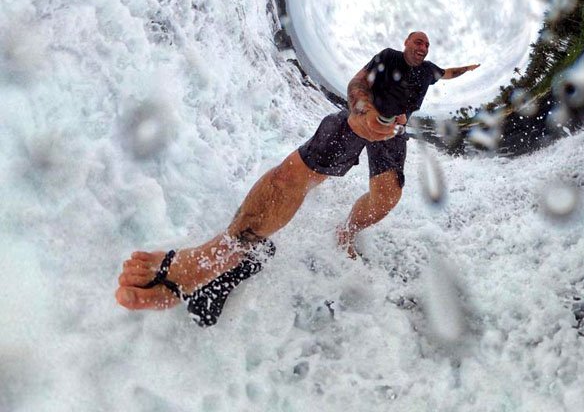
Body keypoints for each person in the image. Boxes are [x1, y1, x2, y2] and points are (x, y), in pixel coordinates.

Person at [115, 31, 479, 326]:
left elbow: (448, 73)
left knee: (387, 198)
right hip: (358, 119)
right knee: (295, 175)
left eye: (427, 44)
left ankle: (347, 232)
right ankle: (223, 254)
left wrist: (468, 68)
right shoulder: (388, 57)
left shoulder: (430, 70)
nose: (422, 47)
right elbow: (358, 82)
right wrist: (361, 109)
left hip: (391, 133)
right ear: (405, 44)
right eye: (417, 41)